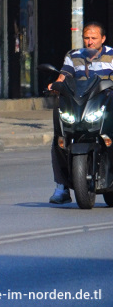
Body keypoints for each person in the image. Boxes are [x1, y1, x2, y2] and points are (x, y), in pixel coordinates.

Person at [45, 21, 113, 204]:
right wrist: (55, 85)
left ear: (103, 39)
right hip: (78, 106)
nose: (89, 42)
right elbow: (64, 76)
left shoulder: (112, 55)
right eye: (86, 38)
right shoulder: (73, 56)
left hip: (105, 106)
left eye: (94, 38)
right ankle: (61, 186)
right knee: (60, 138)